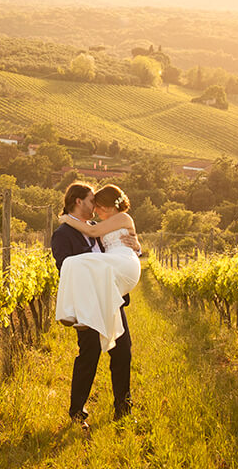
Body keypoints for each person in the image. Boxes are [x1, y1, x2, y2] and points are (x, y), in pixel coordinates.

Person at [51, 183, 142, 430]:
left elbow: (120, 243)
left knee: (123, 353)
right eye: (92, 201)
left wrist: (136, 246)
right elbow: (65, 268)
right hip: (88, 302)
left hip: (111, 297)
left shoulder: (95, 228)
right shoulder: (62, 234)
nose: (96, 207)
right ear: (78, 201)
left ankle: (123, 411)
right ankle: (77, 413)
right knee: (89, 356)